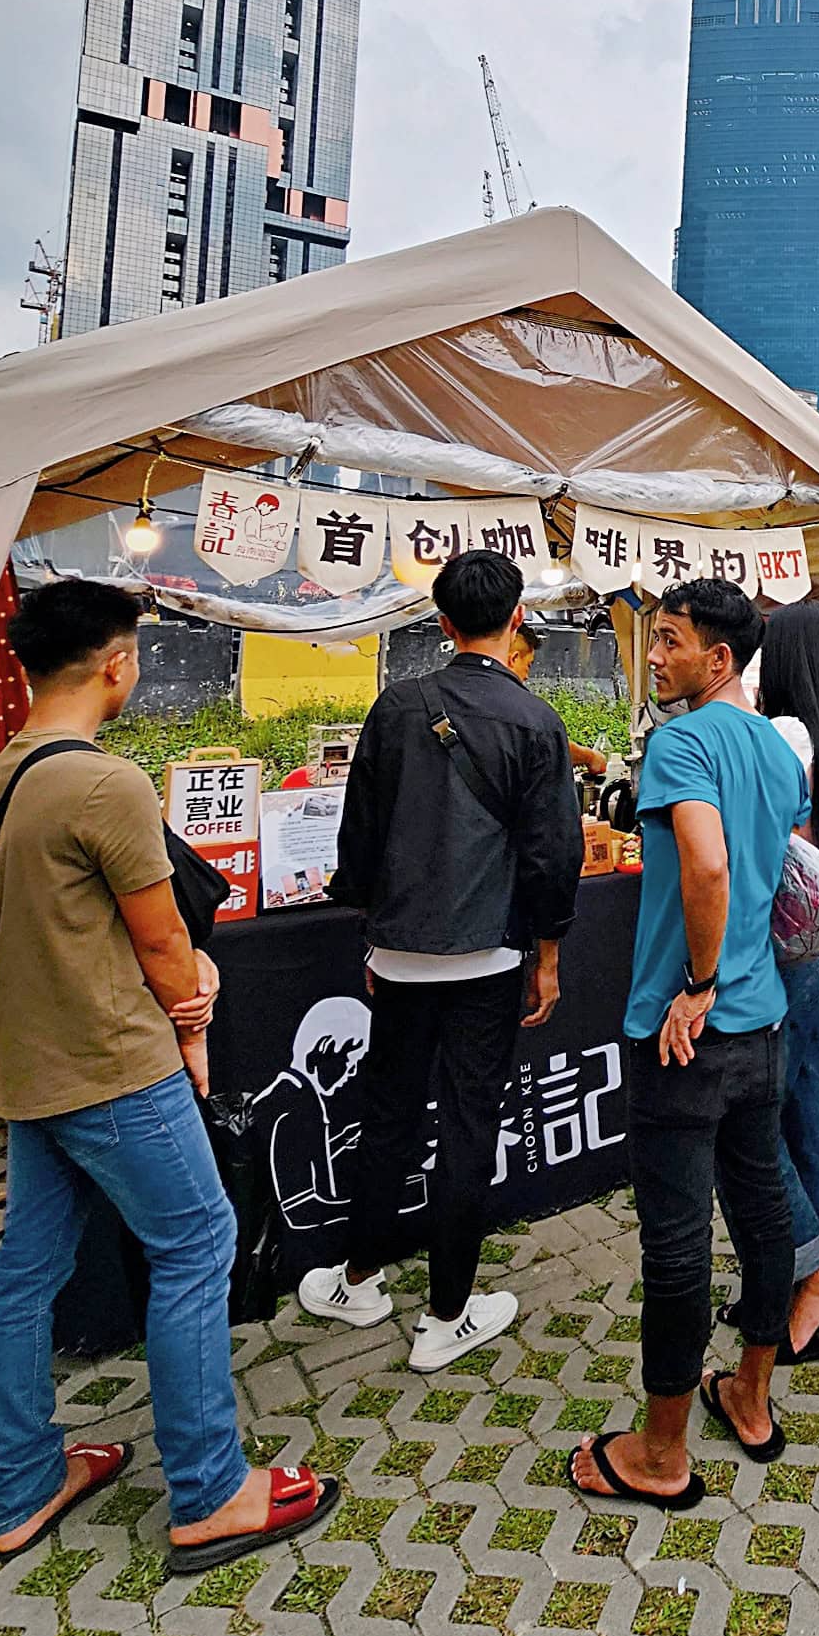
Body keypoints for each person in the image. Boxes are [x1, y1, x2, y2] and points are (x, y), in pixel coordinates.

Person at [0, 579, 337, 1572]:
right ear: (117, 662)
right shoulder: (104, 783)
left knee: (24, 1275)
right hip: (111, 1064)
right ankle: (210, 1488)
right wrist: (197, 996)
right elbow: (165, 945)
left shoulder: (4, 774)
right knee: (195, 1243)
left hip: (34, 1064)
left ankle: (21, 1482)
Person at [305, 549, 582, 1372]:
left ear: (443, 623)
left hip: (397, 954)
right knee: (468, 1124)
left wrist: (371, 928)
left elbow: (357, 836)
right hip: (487, 957)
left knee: (387, 1116)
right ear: (517, 621)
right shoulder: (535, 722)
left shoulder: (396, 707)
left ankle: (356, 1277)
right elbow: (551, 856)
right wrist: (550, 955)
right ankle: (447, 1315)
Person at [569, 578, 809, 1507]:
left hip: (690, 1031)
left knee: (675, 1245)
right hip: (765, 1026)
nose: (654, 655)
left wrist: (696, 986)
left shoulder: (680, 741)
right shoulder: (778, 751)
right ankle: (749, 1397)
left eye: (667, 640)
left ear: (717, 659)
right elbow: (763, 862)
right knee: (761, 1217)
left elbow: (707, 860)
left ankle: (661, 1454)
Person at [724, 599, 819, 1360]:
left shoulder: (780, 734)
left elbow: (764, 844)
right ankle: (801, 1273)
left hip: (785, 948)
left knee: (758, 1113)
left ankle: (799, 1274)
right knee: (809, 1103)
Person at [510, 620, 610, 777]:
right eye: (528, 665)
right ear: (514, 659)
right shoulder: (517, 706)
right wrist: (590, 757)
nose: (527, 676)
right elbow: (551, 745)